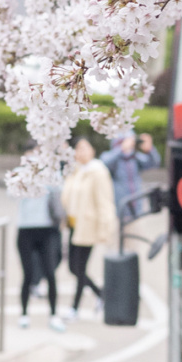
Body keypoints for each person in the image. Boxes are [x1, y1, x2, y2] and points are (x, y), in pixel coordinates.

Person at [60, 137, 117, 317]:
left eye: (85, 148)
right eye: (78, 149)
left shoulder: (97, 171)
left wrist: (105, 227)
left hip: (88, 226)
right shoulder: (75, 171)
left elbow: (104, 201)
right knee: (73, 267)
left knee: (79, 268)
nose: (81, 152)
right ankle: (101, 294)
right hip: (74, 225)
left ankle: (75, 307)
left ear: (92, 150)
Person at [16, 186, 66, 332]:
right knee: (27, 274)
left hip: (47, 228)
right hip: (26, 228)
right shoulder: (22, 173)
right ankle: (24, 314)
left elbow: (58, 193)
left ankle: (53, 314)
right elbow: (12, 193)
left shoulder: (51, 173)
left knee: (50, 272)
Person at [101, 129, 161, 225]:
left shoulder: (134, 157)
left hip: (136, 208)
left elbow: (154, 163)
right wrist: (121, 149)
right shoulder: (111, 156)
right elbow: (104, 164)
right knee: (117, 237)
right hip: (117, 209)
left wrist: (149, 150)